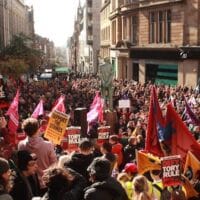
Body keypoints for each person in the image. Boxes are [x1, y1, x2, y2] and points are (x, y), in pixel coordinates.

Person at [18, 118, 57, 189]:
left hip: (30, 185)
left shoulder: (21, 145)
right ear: (38, 129)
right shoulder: (48, 145)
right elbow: (54, 165)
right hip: (46, 182)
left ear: (25, 131)